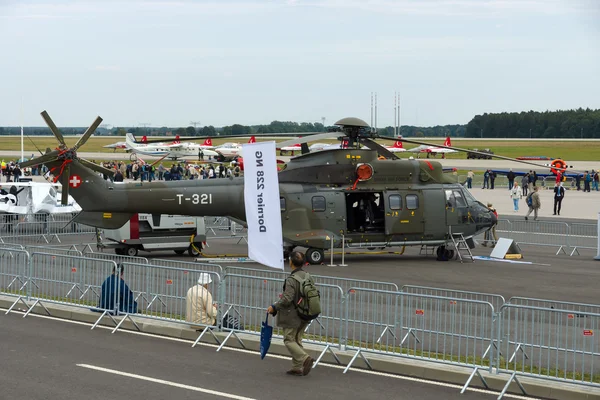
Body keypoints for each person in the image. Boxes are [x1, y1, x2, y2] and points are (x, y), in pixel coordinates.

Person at [267, 251, 315, 376]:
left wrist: (274, 307)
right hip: (307, 312)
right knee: (297, 339)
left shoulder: (291, 280)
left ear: (291, 262)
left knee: (289, 339)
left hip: (294, 314)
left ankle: (304, 358)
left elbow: (287, 298)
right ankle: (296, 367)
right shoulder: (308, 276)